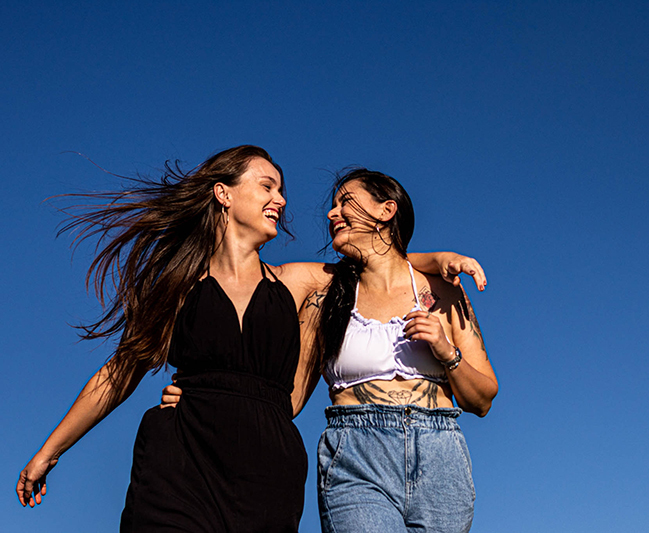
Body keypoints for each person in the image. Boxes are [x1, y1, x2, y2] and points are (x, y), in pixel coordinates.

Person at [16, 146, 483, 533]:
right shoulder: (179, 286)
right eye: (267, 186)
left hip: (267, 470)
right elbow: (118, 373)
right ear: (223, 194)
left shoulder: (299, 282)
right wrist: (48, 453)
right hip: (181, 457)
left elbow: (380, 260)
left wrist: (438, 257)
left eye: (280, 190)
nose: (281, 199)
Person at [164, 167, 498, 532]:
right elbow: (287, 400)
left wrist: (446, 351)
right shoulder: (325, 294)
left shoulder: (443, 291)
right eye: (333, 205)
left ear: (386, 210)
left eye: (345, 202)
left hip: (441, 458)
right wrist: (206, 399)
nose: (331, 213)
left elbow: (482, 400)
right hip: (356, 454)